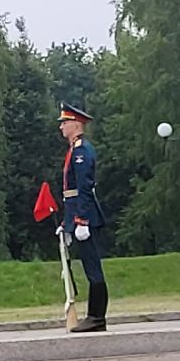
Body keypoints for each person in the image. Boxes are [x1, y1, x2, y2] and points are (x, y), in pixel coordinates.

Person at [58, 102, 110, 332]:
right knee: (89, 266)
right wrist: (67, 222)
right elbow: (71, 192)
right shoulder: (74, 149)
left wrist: (81, 220)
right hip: (77, 214)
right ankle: (95, 316)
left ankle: (97, 316)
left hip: (85, 217)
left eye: (65, 122)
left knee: (93, 267)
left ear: (76, 124)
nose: (61, 127)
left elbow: (84, 188)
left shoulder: (81, 151)